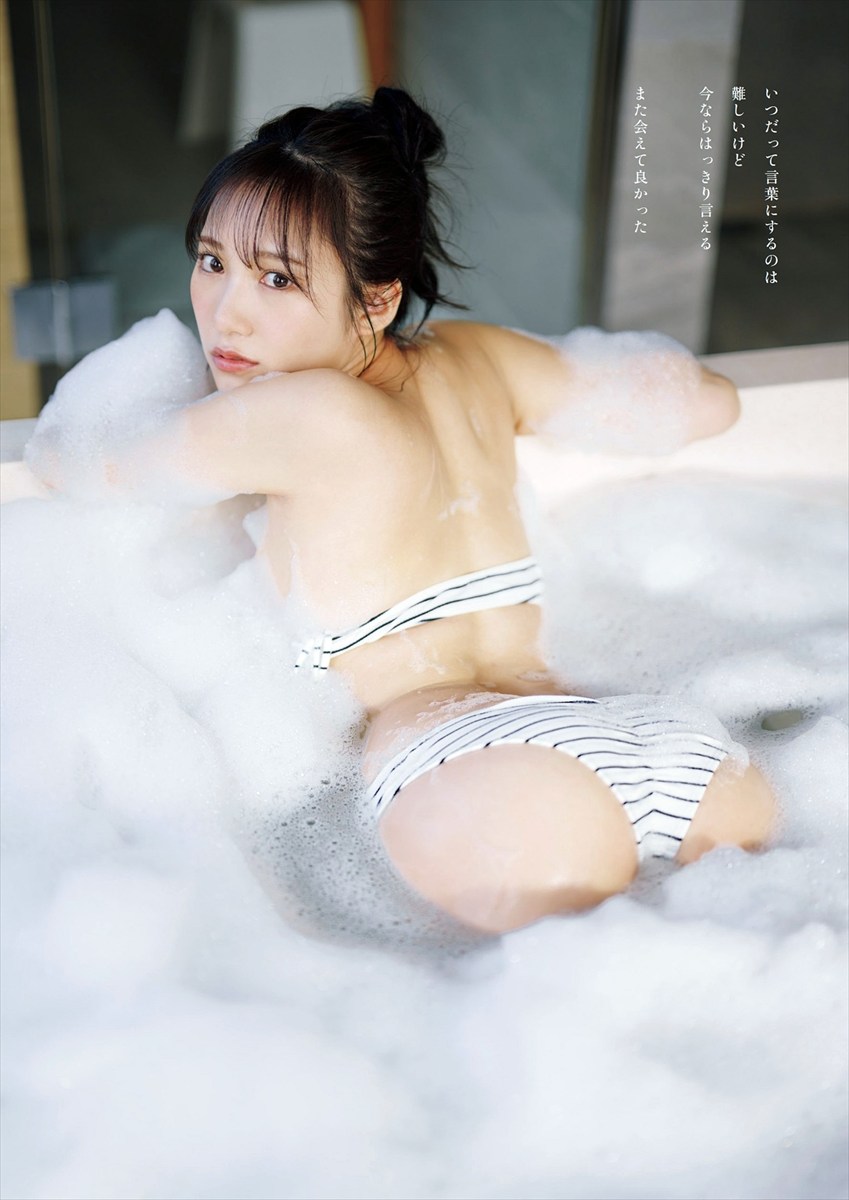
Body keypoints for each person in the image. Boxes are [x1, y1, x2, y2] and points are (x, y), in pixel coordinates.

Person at [33, 88, 778, 934]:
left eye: (276, 278)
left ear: (377, 299)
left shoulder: (304, 412)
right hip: (659, 745)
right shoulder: (477, 358)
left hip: (473, 766)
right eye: (211, 261)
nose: (227, 312)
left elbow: (82, 462)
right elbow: (709, 404)